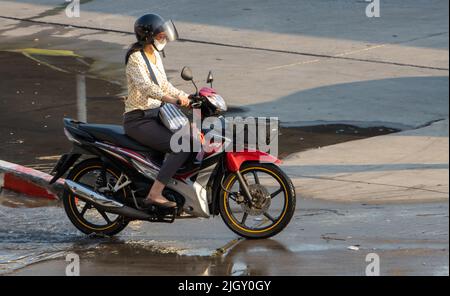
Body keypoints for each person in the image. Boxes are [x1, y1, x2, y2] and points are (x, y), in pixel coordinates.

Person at [123, 14, 190, 208]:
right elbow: (147, 88)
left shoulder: (155, 55)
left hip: (156, 116)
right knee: (182, 145)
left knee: (190, 136)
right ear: (148, 37)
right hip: (138, 120)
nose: (164, 40)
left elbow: (164, 84)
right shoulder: (135, 58)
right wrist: (172, 100)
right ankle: (154, 194)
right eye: (160, 36)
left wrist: (187, 96)